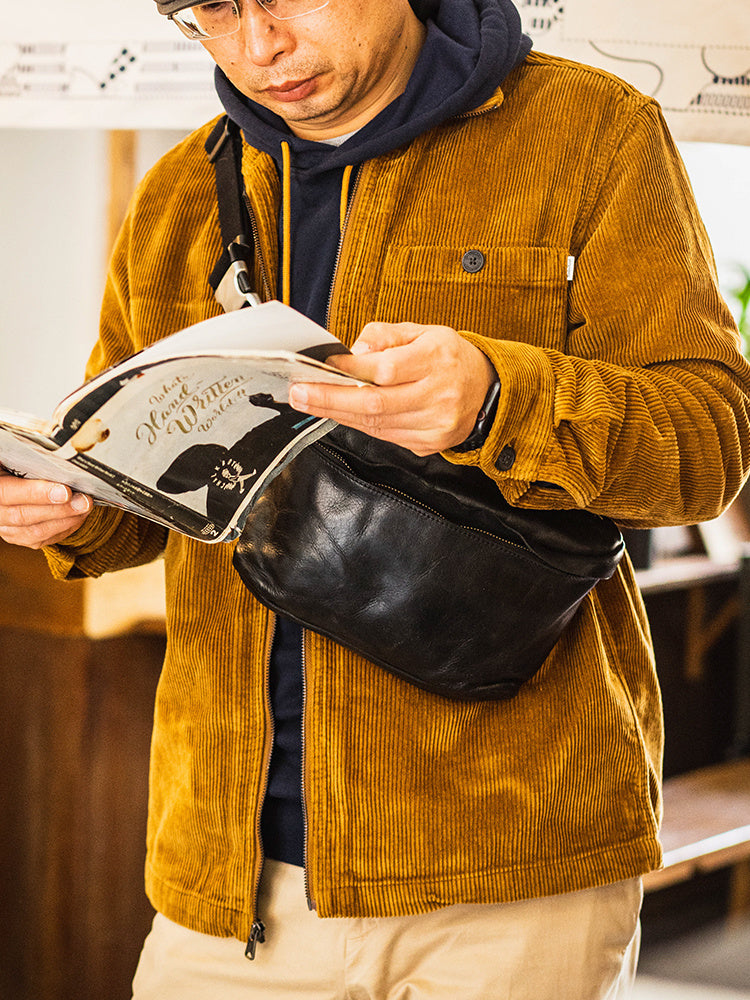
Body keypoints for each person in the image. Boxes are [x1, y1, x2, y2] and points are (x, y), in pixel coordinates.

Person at [2, 0, 749, 996]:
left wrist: (498, 395)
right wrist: (75, 506)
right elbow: (147, 490)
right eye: (213, 13)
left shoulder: (591, 132)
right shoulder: (178, 195)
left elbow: (708, 442)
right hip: (227, 884)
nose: (258, 47)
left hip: (511, 879)